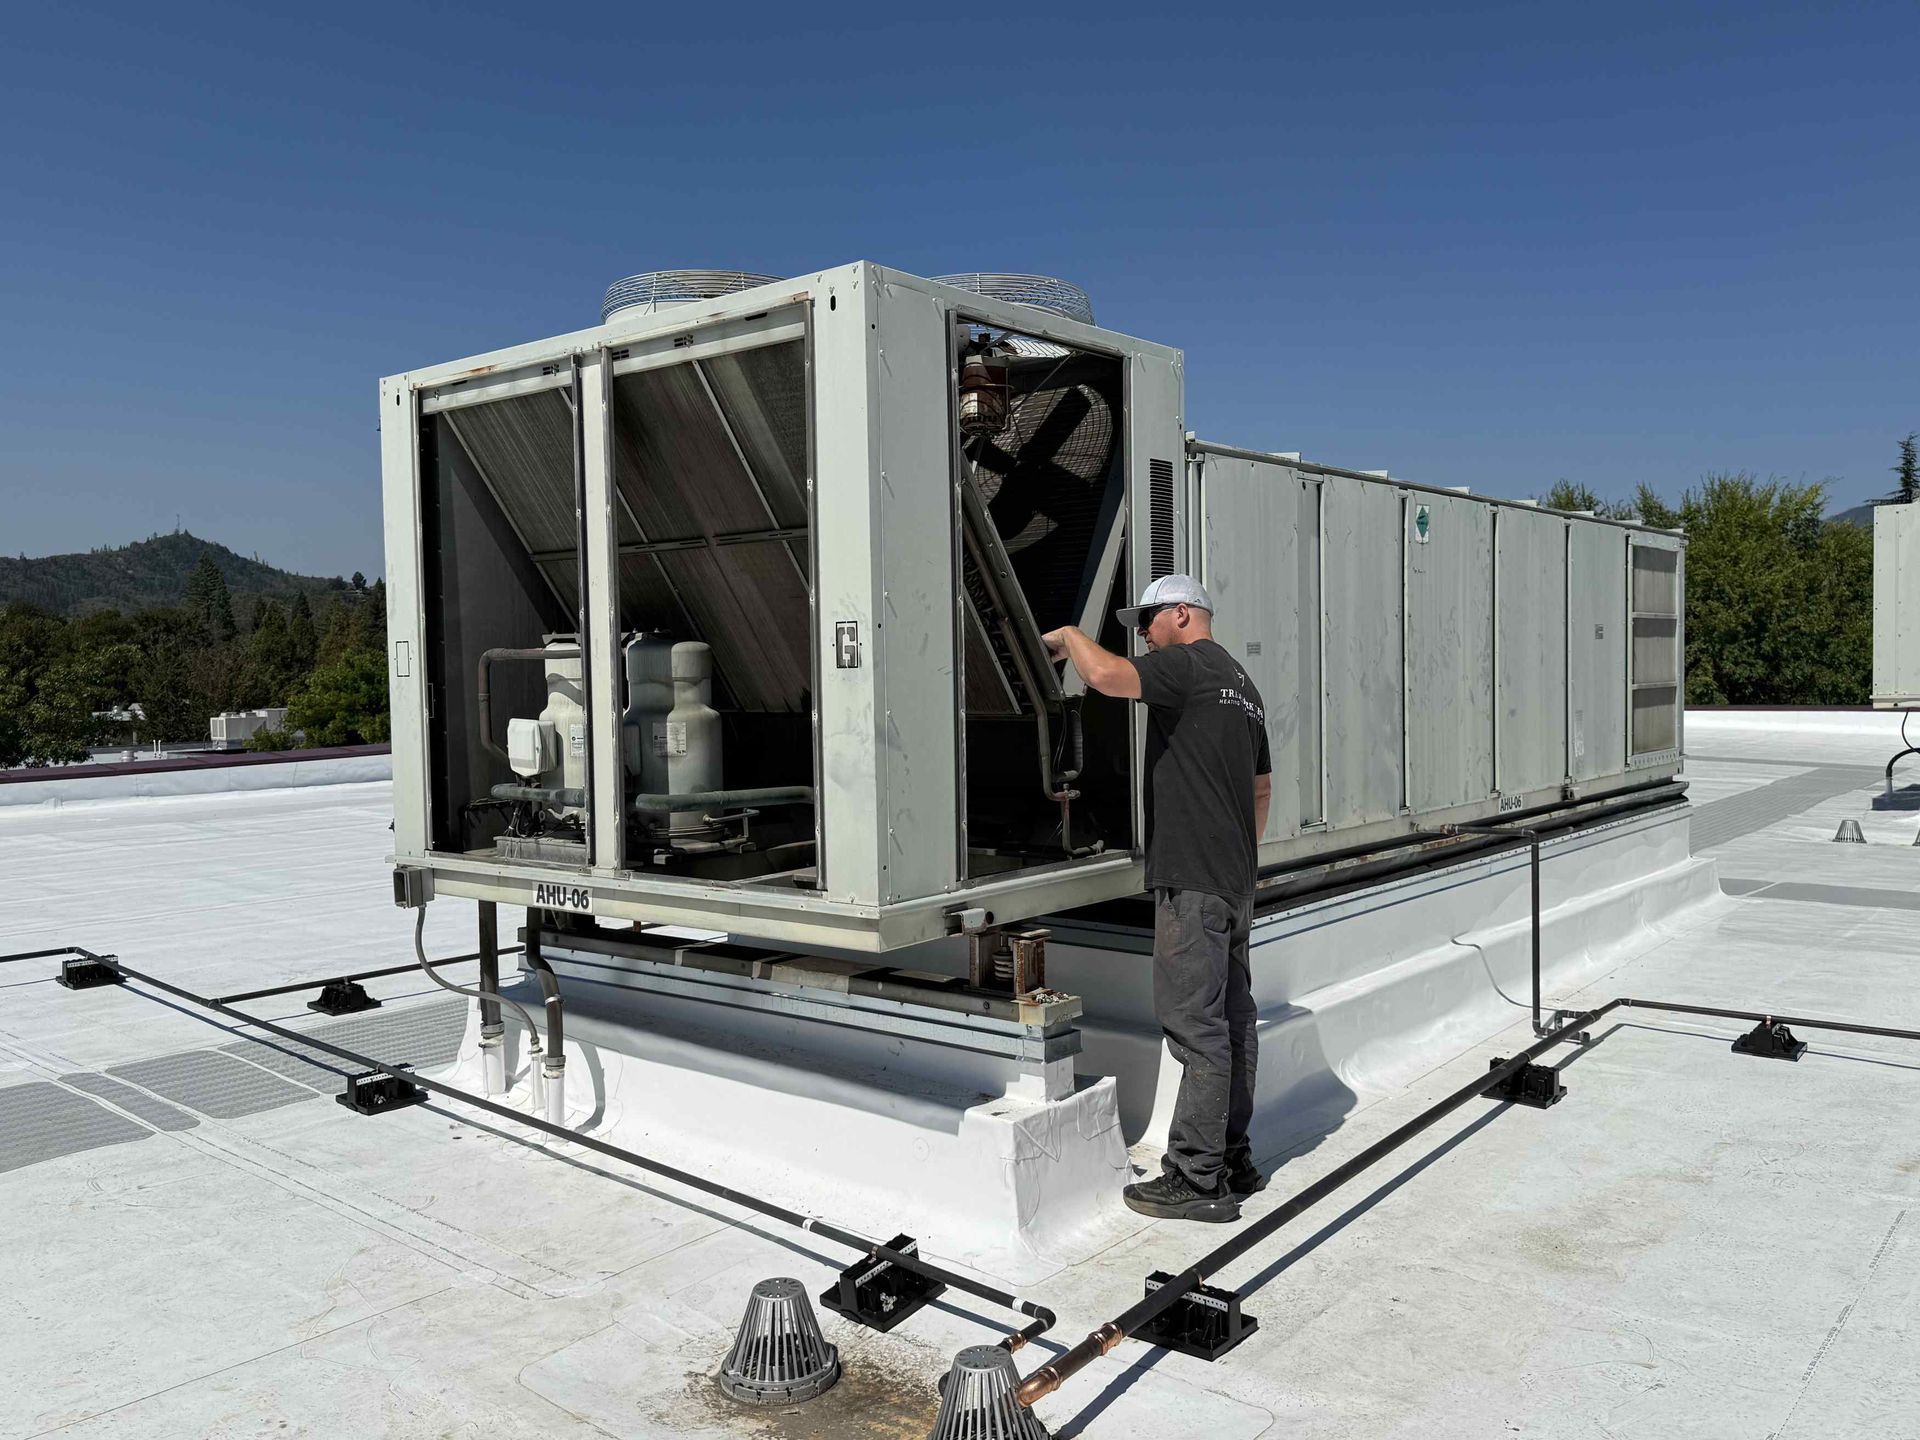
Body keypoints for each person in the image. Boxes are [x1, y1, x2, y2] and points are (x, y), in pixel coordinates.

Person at [1042, 575, 1271, 1223]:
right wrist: (1237, 858)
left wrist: (1069, 637)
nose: (1141, 630)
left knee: (1195, 1025)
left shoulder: (1188, 663)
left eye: (1147, 618)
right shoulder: (1243, 686)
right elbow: (1261, 789)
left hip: (1193, 878)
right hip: (1232, 879)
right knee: (1231, 1019)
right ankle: (1232, 1158)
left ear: (1182, 614)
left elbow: (1110, 678)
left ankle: (1198, 1182)